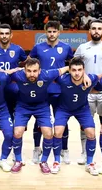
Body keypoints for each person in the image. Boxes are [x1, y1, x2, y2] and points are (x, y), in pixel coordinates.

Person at [9, 58, 91, 174]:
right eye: (29, 71)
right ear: (24, 70)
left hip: (42, 106)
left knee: (48, 133)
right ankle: (18, 160)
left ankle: (44, 161)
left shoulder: (47, 74)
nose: (32, 74)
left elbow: (67, 68)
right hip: (23, 106)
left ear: (40, 70)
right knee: (17, 132)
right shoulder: (18, 75)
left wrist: (85, 75)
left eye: (35, 71)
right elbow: (2, 75)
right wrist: (13, 70)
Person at [0, 24, 27, 165]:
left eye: (7, 33)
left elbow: (25, 65)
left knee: (16, 123)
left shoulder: (18, 50)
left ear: (11, 35)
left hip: (14, 91)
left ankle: (15, 152)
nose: (4, 36)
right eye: (2, 33)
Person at [29, 21, 74, 164]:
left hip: (60, 90)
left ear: (59, 32)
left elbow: (73, 65)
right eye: (49, 31)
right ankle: (37, 149)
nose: (52, 34)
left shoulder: (66, 48)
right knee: (39, 121)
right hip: (42, 90)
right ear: (45, 32)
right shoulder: (38, 47)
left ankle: (64, 150)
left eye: (54, 31)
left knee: (62, 121)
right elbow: (29, 64)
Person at [73, 19, 102, 165]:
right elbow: (75, 67)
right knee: (85, 125)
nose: (96, 31)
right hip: (86, 92)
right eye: (93, 28)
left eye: (99, 28)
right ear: (89, 31)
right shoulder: (82, 48)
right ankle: (84, 154)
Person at [52, 57, 102, 175]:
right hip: (63, 109)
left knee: (91, 132)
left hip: (82, 109)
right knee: (58, 132)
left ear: (84, 70)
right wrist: (65, 69)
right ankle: (56, 161)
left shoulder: (91, 78)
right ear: (69, 70)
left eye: (80, 70)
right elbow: (50, 74)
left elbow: (101, 76)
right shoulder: (63, 79)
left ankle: (89, 163)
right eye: (73, 70)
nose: (77, 73)